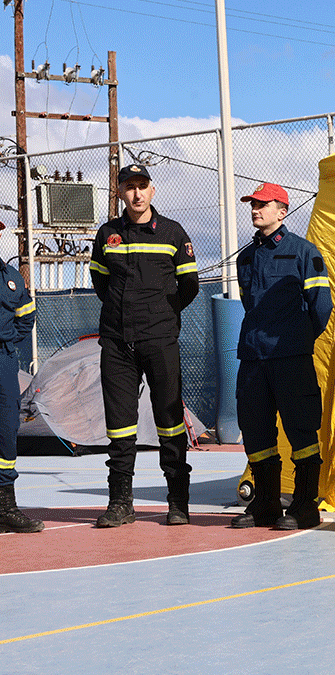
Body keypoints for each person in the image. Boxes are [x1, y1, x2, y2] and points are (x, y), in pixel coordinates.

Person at [89, 164, 199, 528]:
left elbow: (189, 286)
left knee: (170, 422)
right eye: (129, 187)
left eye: (142, 186)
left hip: (160, 340)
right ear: (120, 192)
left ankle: (178, 502)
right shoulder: (107, 234)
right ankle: (120, 503)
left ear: (152, 190)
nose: (136, 193)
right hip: (117, 343)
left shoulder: (172, 233)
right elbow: (101, 283)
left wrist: (162, 314)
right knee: (120, 426)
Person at [229, 183, 332, 530]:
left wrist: (297, 338)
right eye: (253, 204)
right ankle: (266, 504)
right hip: (253, 358)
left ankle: (304, 506)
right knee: (255, 430)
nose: (255, 209)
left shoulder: (303, 252)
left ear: (282, 211)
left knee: (301, 431)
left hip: (291, 358)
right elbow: (250, 304)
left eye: (263, 204)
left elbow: (321, 306)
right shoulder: (246, 257)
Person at [0, 235, 39, 533]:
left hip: (3, 360)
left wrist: (9, 342)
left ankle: (5, 507)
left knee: (6, 428)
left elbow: (26, 316)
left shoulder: (12, 278)